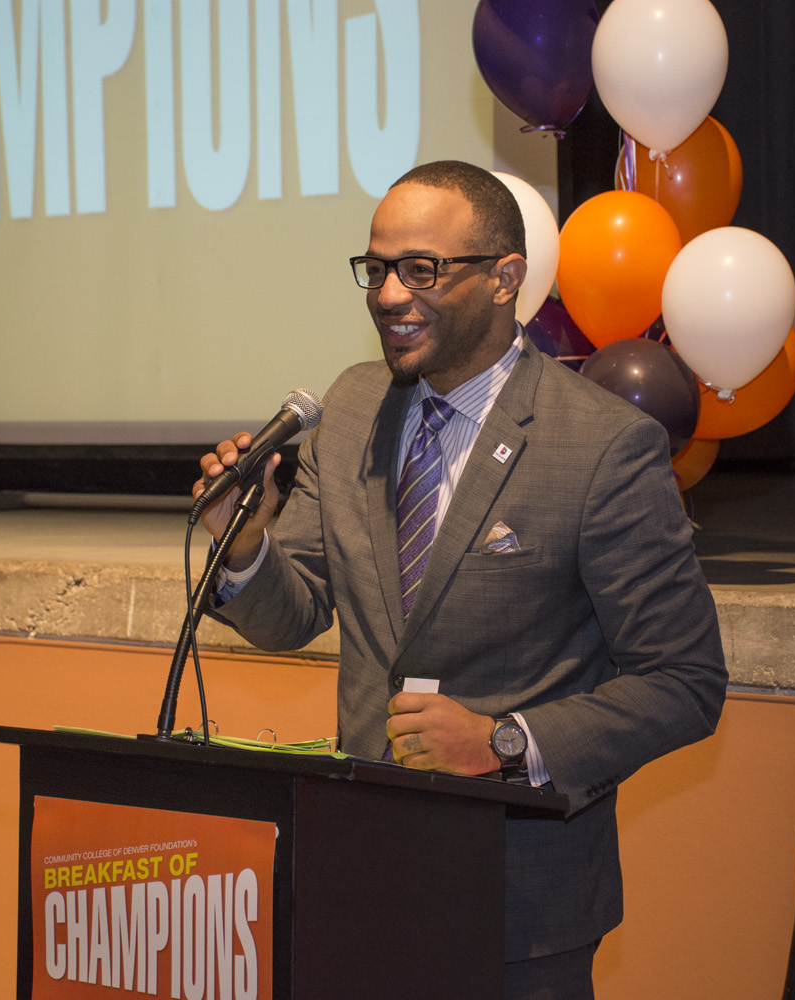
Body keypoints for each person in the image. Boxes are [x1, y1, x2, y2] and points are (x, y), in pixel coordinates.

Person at [193, 160, 726, 999]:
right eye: (378, 269)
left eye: (423, 269)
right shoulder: (356, 405)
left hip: (519, 902)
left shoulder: (601, 446)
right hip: (358, 876)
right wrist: (247, 546)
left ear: (506, 279)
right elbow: (294, 612)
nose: (390, 295)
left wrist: (502, 742)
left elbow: (684, 684)